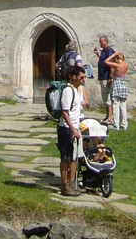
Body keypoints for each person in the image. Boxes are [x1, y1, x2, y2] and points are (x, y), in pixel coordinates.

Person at [57, 64, 86, 196]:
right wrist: (73, 129)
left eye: (84, 77)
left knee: (75, 157)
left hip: (75, 128)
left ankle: (72, 183)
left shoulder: (76, 90)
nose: (83, 80)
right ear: (73, 77)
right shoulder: (68, 91)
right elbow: (65, 112)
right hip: (66, 128)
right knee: (66, 157)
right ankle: (64, 185)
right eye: (81, 77)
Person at [103, 50, 129, 131]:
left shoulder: (117, 65)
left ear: (117, 58)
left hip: (117, 84)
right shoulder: (126, 64)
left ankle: (116, 125)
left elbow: (105, 61)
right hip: (124, 84)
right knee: (123, 106)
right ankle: (124, 124)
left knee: (116, 105)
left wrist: (113, 54)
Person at [93, 34, 114, 123]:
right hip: (102, 77)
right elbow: (103, 62)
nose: (100, 44)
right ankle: (107, 116)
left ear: (105, 41)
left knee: (108, 97)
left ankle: (110, 118)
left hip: (106, 77)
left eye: (101, 42)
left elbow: (111, 65)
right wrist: (98, 54)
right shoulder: (104, 51)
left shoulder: (109, 51)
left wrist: (110, 78)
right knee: (105, 98)